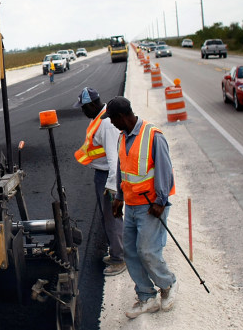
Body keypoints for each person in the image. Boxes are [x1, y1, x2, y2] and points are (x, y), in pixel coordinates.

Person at [103, 96, 178, 319]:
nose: (112, 123)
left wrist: (160, 201)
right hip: (132, 206)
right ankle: (146, 296)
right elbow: (122, 169)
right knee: (132, 252)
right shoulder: (122, 137)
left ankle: (168, 284)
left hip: (150, 206)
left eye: (113, 119)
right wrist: (118, 198)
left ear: (121, 116)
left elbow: (165, 170)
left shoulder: (153, 136)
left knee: (148, 251)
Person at [73, 88, 125, 276]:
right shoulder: (98, 120)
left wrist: (112, 186)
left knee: (112, 218)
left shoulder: (107, 125)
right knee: (108, 217)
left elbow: (114, 159)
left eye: (83, 108)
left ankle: (120, 258)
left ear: (93, 105)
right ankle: (116, 251)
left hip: (108, 178)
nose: (82, 111)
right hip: (101, 175)